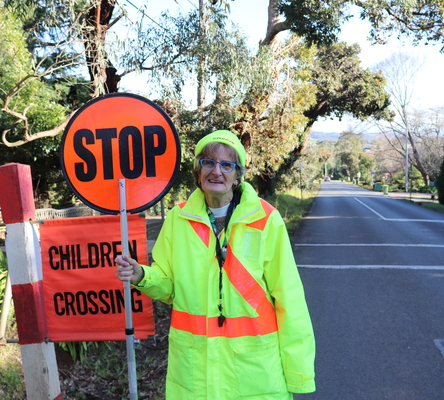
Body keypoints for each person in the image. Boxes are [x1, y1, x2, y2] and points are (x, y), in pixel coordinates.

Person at [115, 130, 315, 399]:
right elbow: (169, 286)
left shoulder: (266, 219)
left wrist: (298, 372)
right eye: (208, 163)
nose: (216, 172)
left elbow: (289, 299)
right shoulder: (178, 219)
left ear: (237, 175)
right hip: (194, 372)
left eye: (226, 165)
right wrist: (141, 275)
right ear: (198, 172)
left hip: (254, 373)